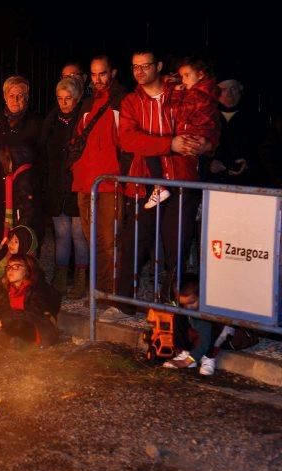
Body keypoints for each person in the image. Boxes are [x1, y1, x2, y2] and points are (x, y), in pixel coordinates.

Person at [100, 48, 212, 322]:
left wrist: (206, 144)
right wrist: (168, 144)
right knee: (133, 242)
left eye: (145, 66)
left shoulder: (180, 93)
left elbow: (206, 126)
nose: (139, 72)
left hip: (181, 181)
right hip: (144, 184)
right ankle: (123, 302)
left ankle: (172, 308)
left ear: (158, 66)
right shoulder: (130, 102)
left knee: (177, 247)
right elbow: (128, 140)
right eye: (135, 67)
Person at [68, 55, 127, 298]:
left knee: (108, 240)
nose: (97, 79)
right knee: (92, 238)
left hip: (109, 182)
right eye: (93, 74)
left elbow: (126, 142)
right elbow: (77, 138)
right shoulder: (87, 103)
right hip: (85, 182)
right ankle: (99, 288)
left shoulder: (122, 101)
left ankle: (109, 291)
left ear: (112, 73)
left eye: (102, 73)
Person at [145, 56, 220, 209]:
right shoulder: (203, 92)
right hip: (196, 137)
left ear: (201, 75)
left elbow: (176, 113)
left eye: (187, 75)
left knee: (153, 149)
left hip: (192, 136)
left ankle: (161, 188)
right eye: (181, 76)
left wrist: (176, 94)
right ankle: (165, 189)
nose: (183, 80)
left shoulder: (198, 94)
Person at [40, 76, 88, 297]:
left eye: (68, 98)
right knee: (61, 233)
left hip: (77, 185)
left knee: (79, 235)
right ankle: (60, 274)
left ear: (77, 99)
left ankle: (80, 277)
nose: (64, 103)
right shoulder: (52, 120)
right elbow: (43, 151)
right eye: (60, 98)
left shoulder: (83, 120)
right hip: (57, 185)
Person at [0, 76, 43, 249]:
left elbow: (40, 157)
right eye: (11, 95)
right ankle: (3, 272)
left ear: (27, 98)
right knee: (3, 238)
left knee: (24, 239)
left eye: (20, 95)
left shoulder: (35, 123)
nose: (16, 100)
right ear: (4, 97)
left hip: (26, 193)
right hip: (1, 192)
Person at [0, 254, 60, 347]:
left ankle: (11, 341)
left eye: (16, 267)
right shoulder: (7, 289)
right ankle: (10, 340)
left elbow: (33, 312)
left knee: (17, 324)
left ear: (26, 270)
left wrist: (6, 320)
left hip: (35, 326)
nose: (10, 270)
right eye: (9, 267)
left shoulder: (37, 288)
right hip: (12, 322)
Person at [205, 78, 268, 186]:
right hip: (211, 186)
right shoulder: (204, 117)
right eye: (223, 89)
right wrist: (207, 165)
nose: (229, 94)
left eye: (233, 88)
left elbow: (268, 149)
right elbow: (194, 148)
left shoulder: (257, 118)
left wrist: (249, 162)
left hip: (249, 184)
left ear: (240, 88)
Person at [162, 273, 217, 376]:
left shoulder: (207, 311)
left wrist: (186, 362)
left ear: (202, 295)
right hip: (196, 332)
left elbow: (205, 338)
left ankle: (208, 357)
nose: (188, 307)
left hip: (211, 333)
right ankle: (186, 351)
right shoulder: (188, 308)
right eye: (184, 304)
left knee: (215, 330)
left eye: (192, 302)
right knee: (179, 316)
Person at [0, 144, 41, 252]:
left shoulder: (22, 178)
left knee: (25, 256)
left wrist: (20, 231)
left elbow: (27, 208)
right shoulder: (24, 173)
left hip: (26, 228)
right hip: (28, 226)